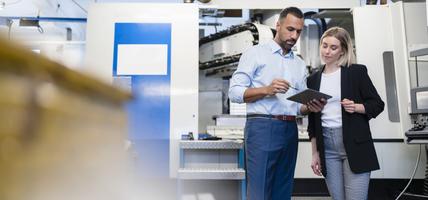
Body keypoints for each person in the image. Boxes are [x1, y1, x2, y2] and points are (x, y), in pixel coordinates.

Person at [229, 7, 323, 200]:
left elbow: (298, 107)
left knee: (283, 190)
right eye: (290, 29)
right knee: (259, 191)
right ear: (277, 25)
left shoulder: (298, 63)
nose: (294, 35)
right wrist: (266, 89)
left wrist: (309, 106)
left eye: (298, 31)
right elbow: (235, 92)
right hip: (262, 126)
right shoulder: (255, 54)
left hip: (290, 128)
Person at [307, 27, 385, 200]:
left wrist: (356, 107)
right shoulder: (313, 79)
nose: (327, 51)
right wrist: (315, 153)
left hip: (355, 143)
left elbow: (378, 104)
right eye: (324, 45)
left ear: (343, 49)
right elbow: (312, 121)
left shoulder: (356, 72)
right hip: (326, 146)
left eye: (333, 47)